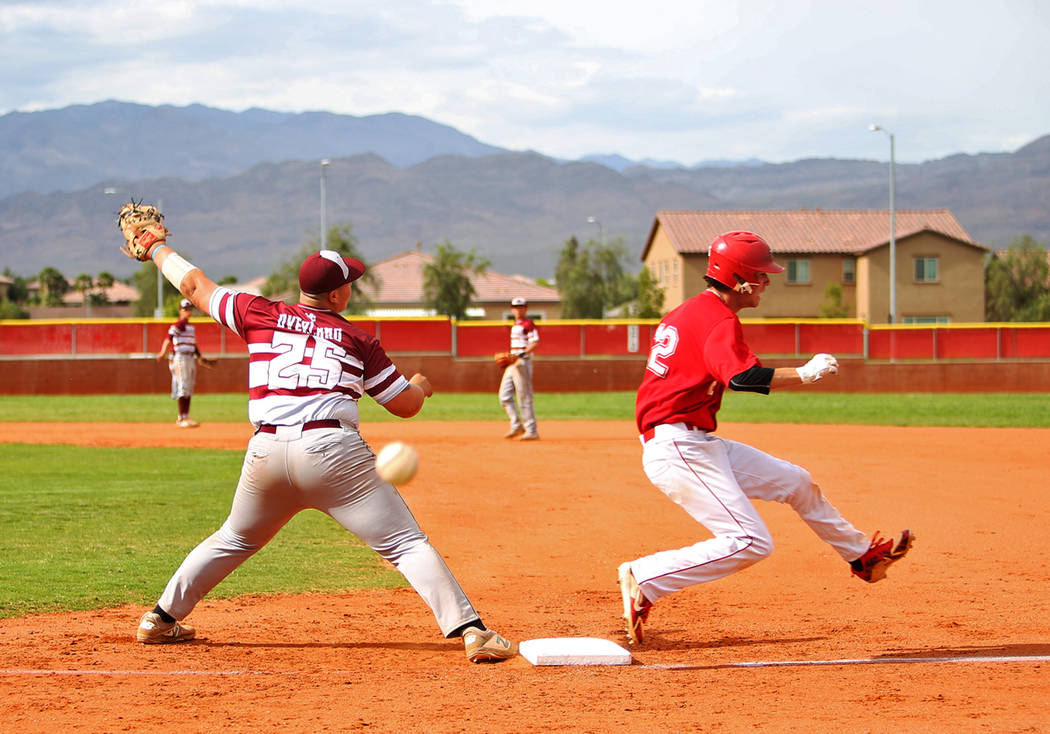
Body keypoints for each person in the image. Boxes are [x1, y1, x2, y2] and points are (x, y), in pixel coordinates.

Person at [130, 237, 516, 664]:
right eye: (349, 282)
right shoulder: (356, 338)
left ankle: (160, 619)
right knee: (405, 544)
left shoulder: (257, 312)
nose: (352, 288)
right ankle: (473, 633)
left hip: (267, 449)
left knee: (235, 537)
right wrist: (421, 388)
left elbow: (194, 286)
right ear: (336, 295)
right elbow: (402, 405)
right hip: (333, 451)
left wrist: (156, 248)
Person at [618, 230, 913, 645]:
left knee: (796, 482)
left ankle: (861, 556)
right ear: (738, 279)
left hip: (693, 441)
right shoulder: (717, 319)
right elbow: (742, 378)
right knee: (750, 541)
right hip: (679, 446)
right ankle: (645, 579)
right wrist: (805, 374)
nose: (767, 282)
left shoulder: (690, 311)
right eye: (761, 275)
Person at [156, 298, 206, 428]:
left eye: (189, 309)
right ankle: (182, 417)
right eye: (185, 309)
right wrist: (162, 352)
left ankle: (186, 417)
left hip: (190, 357)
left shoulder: (189, 327)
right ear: (180, 311)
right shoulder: (178, 325)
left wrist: (199, 357)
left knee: (188, 387)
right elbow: (168, 339)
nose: (188, 312)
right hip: (181, 358)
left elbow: (193, 345)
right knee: (183, 386)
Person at [499, 296, 540, 440]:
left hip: (522, 362)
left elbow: (535, 342)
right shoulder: (515, 324)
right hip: (513, 363)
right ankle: (517, 426)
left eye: (521, 307)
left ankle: (532, 430)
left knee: (524, 397)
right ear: (512, 309)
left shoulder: (528, 324)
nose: (518, 309)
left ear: (525, 308)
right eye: (516, 307)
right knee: (504, 396)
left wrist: (521, 354)